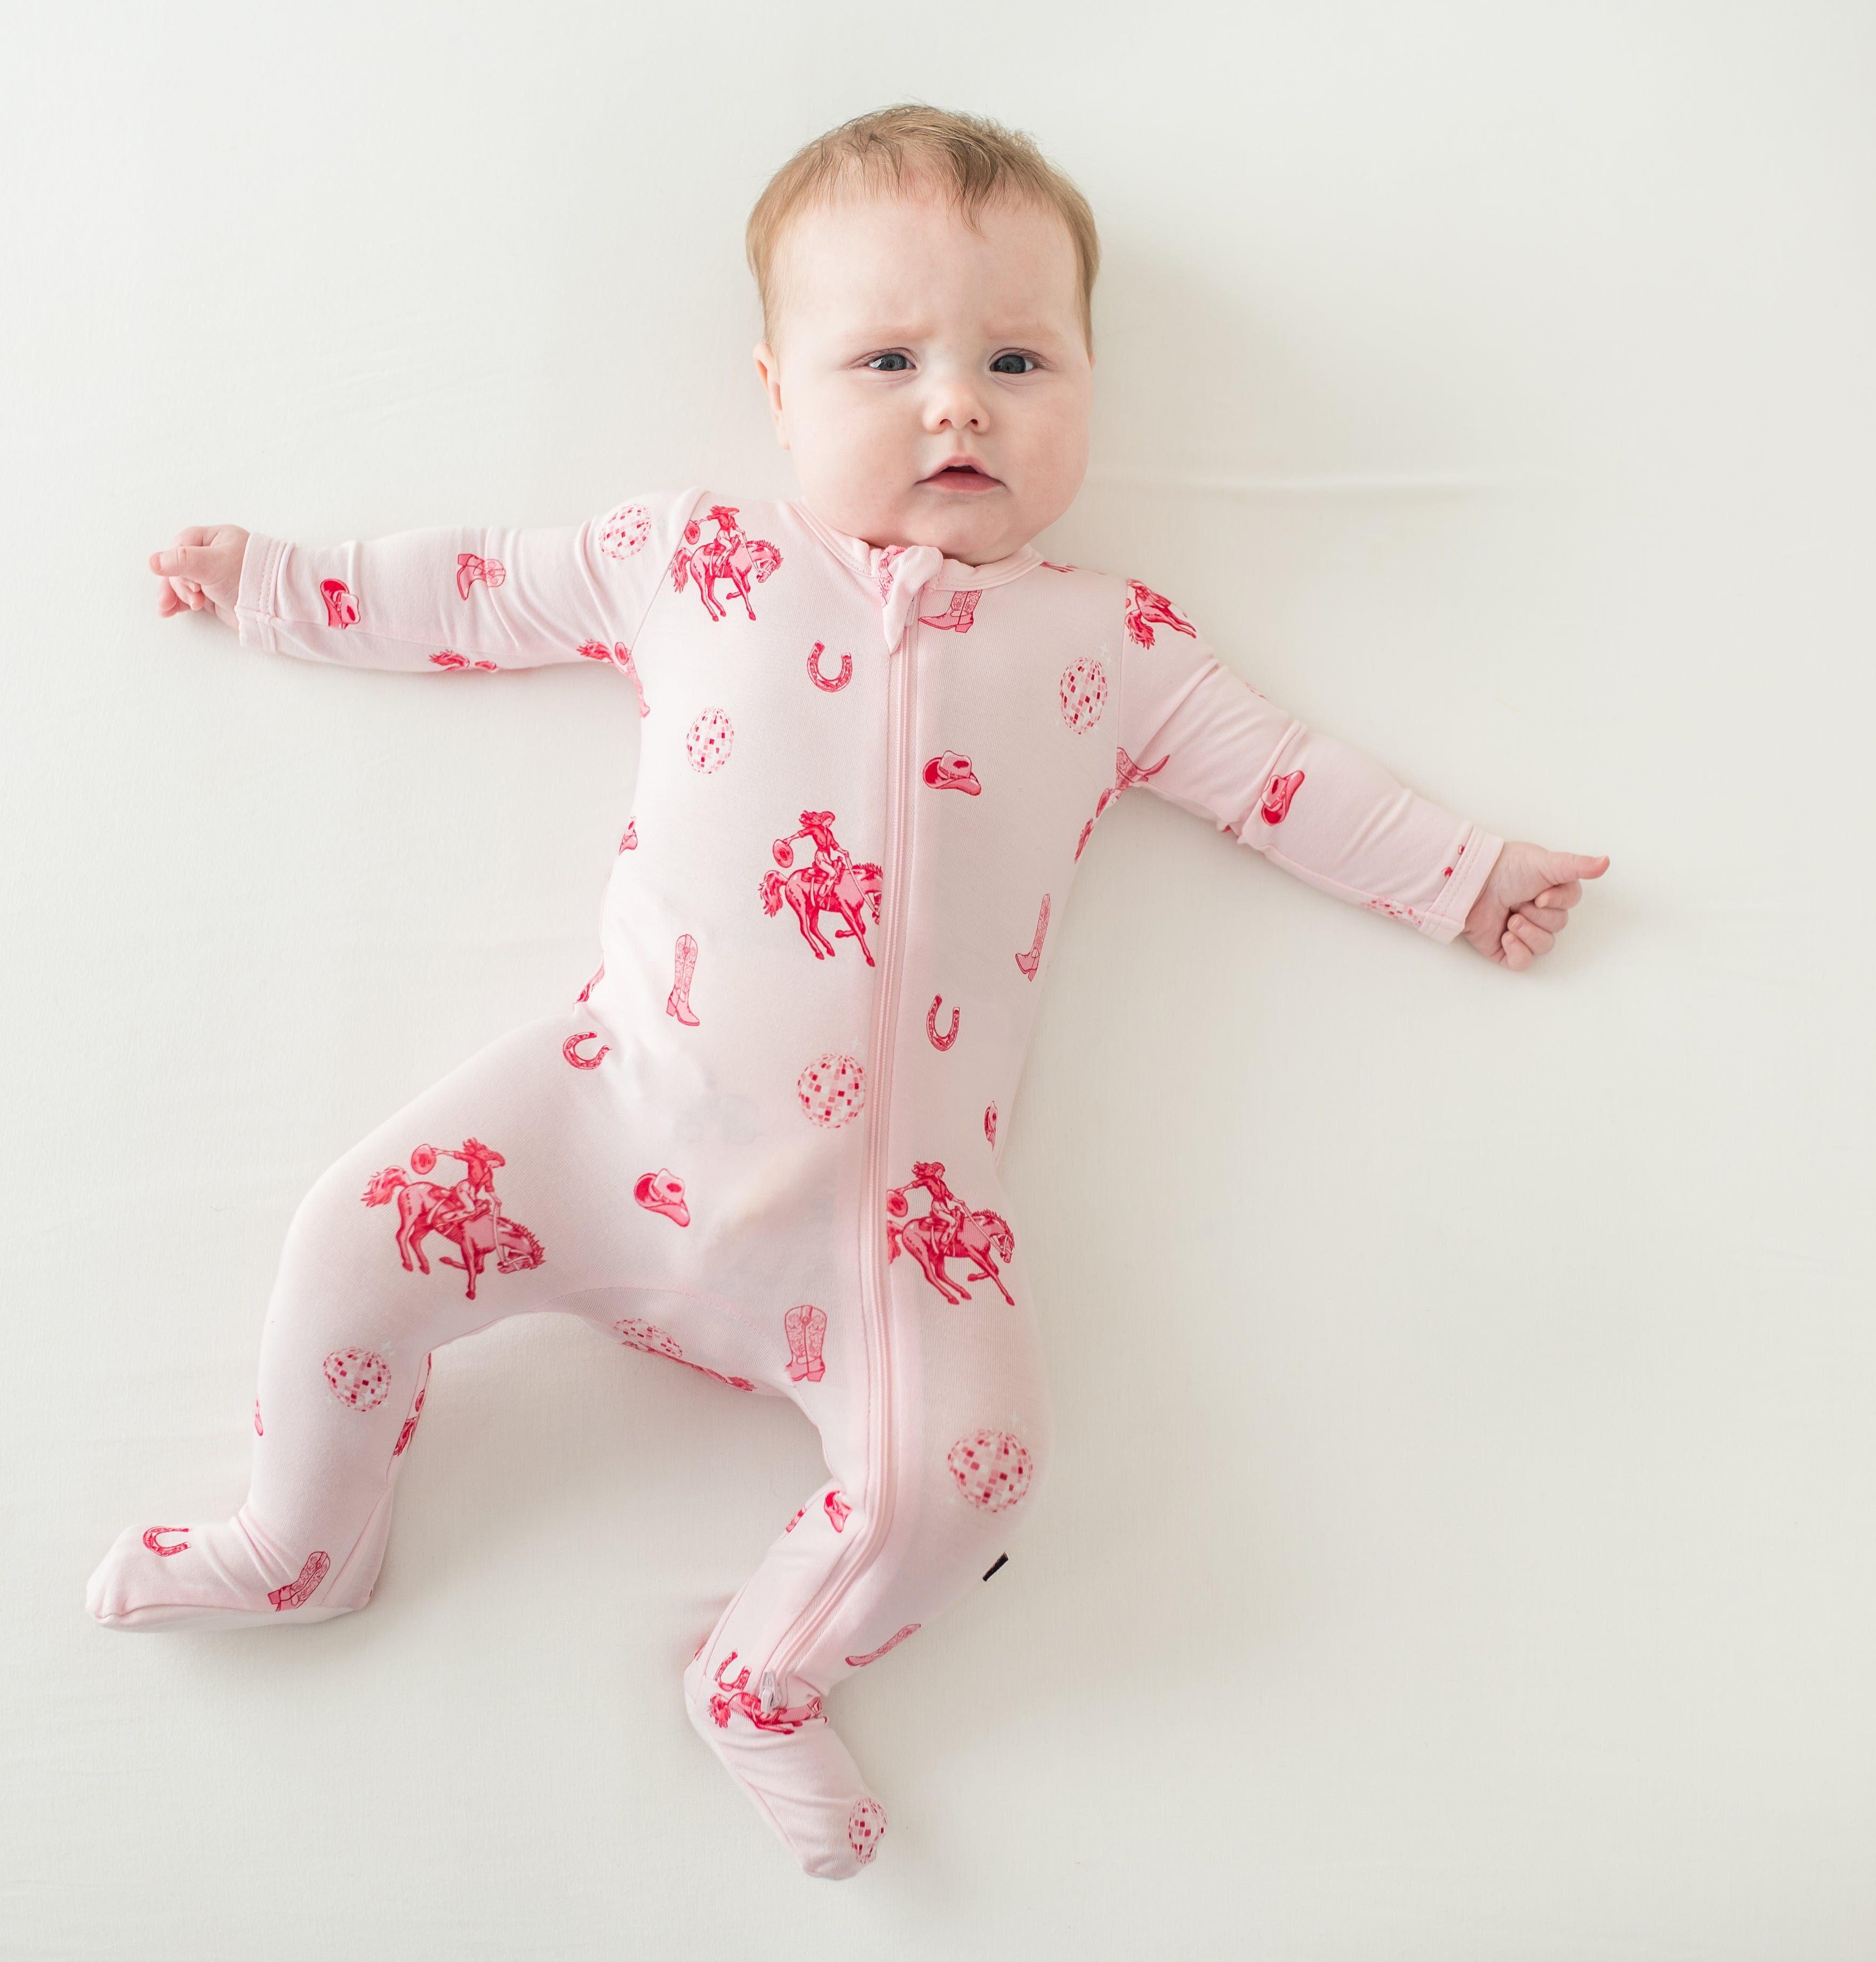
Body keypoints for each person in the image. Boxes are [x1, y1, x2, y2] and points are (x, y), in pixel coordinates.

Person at [92, 103, 1609, 1880]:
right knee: (354, 1235)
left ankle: (765, 1672)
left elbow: (1292, 780)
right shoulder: (694, 561)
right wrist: (271, 580)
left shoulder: (1113, 650)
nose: (956, 400)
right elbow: (473, 592)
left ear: (1089, 388)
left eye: (1018, 358)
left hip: (892, 1231)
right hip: (609, 1110)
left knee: (967, 1477)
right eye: (889, 357)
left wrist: (1462, 875)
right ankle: (302, 1541)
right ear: (778, 388)